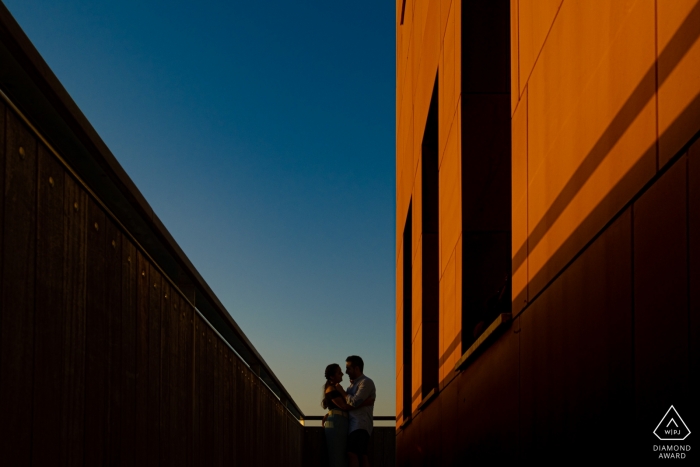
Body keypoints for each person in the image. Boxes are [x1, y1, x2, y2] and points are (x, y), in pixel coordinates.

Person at [321, 363, 374, 467]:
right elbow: (344, 406)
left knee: (344, 454)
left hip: (342, 421)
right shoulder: (332, 389)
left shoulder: (336, 388)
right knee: (338, 454)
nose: (342, 374)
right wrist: (365, 402)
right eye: (339, 372)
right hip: (337, 422)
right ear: (332, 376)